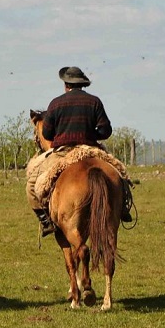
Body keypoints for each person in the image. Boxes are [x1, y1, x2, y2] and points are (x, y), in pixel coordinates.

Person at [25, 66, 132, 237]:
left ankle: (46, 222)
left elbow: (46, 134)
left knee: (32, 186)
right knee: (121, 175)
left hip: (63, 152)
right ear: (82, 84)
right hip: (90, 150)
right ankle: (123, 208)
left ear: (66, 84)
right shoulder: (94, 101)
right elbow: (106, 131)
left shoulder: (56, 103)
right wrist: (90, 134)